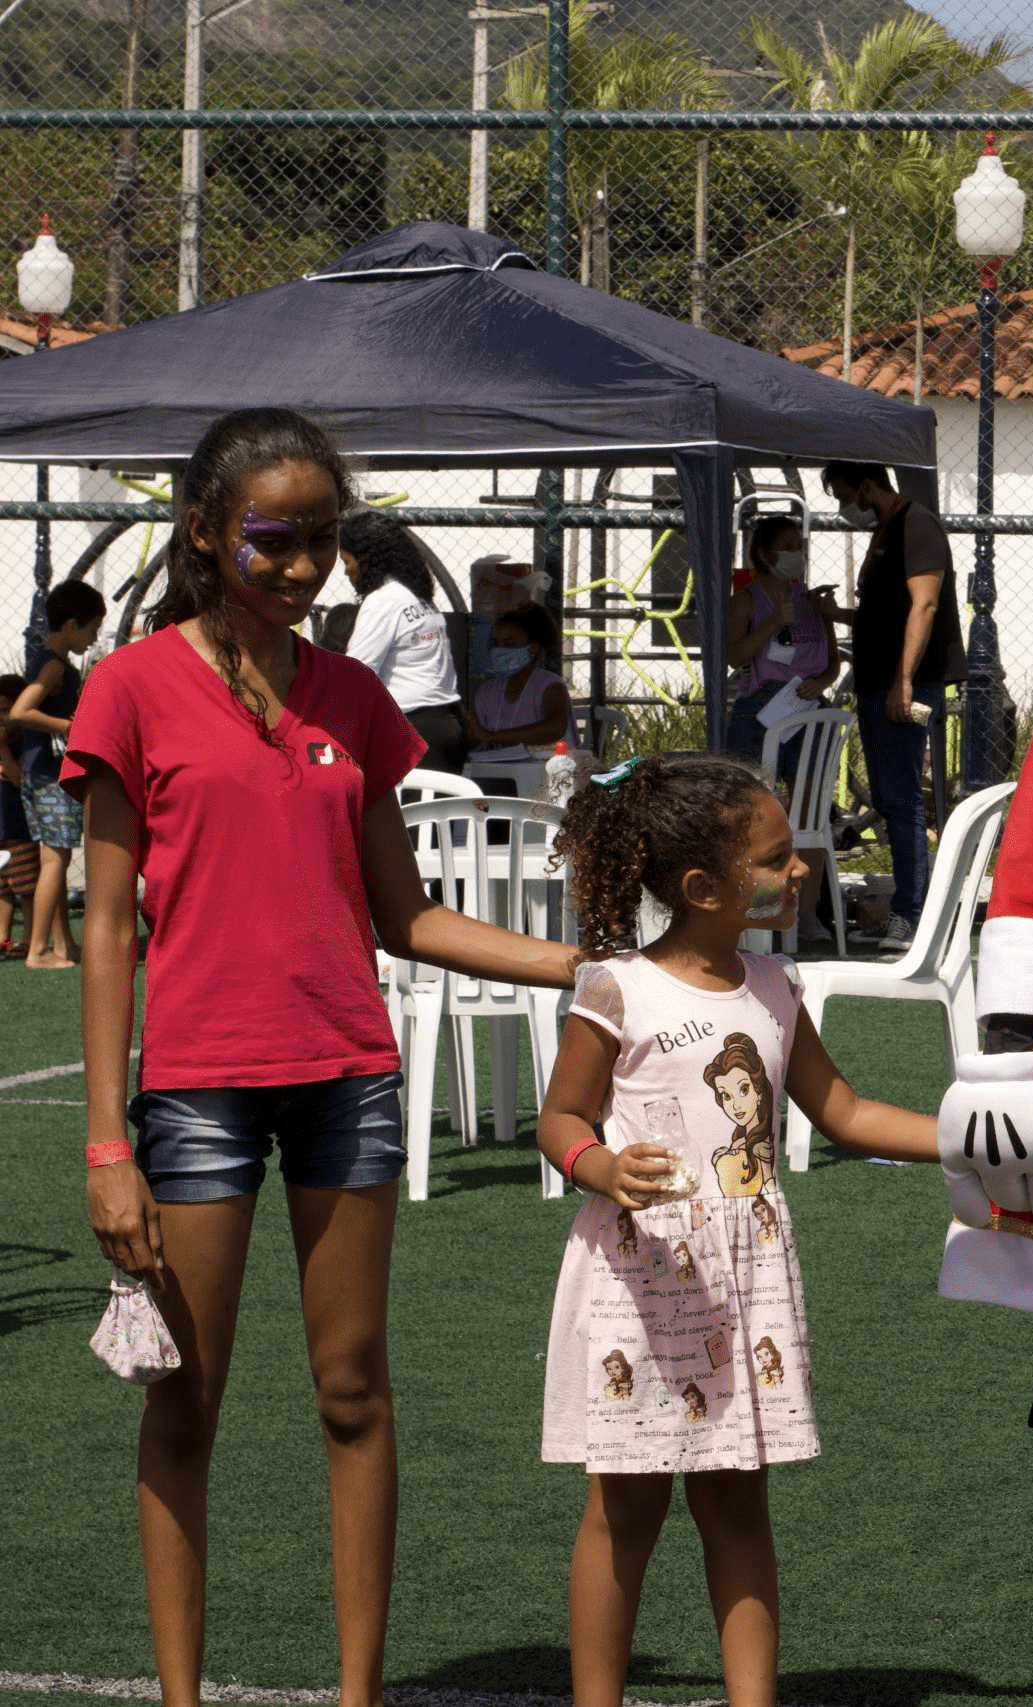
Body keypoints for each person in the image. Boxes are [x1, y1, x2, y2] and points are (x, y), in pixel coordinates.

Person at [68, 408, 592, 1707]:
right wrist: (104, 1142)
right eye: (275, 536)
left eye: (321, 538)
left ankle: (361, 1694)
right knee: (184, 1403)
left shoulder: (354, 695)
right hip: (194, 1093)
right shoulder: (129, 686)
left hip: (348, 1081)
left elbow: (406, 915)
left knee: (355, 1390)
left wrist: (587, 964)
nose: (304, 563)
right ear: (205, 531)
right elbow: (108, 925)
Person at [538, 750, 936, 1707]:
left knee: (737, 1500)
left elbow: (842, 1109)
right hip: (644, 1279)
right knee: (623, 1509)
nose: (800, 868)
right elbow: (560, 1116)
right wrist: (599, 1164)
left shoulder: (777, 983)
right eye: (776, 857)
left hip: (744, 1282)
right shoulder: (615, 988)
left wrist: (968, 1140)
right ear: (701, 886)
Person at [822, 460, 956, 954]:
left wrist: (904, 680)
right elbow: (886, 614)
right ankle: (905, 909)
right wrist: (836, 615)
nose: (843, 507)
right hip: (877, 684)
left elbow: (924, 605)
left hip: (905, 686)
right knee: (887, 795)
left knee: (901, 800)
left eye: (843, 496)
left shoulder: (916, 524)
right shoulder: (884, 531)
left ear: (867, 485)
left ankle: (913, 916)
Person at [10, 579, 105, 970]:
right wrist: (70, 727)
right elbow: (21, 712)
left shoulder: (48, 660)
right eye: (92, 629)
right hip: (49, 775)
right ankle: (38, 950)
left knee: (57, 859)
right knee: (55, 859)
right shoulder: (53, 665)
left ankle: (64, 944)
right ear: (71, 625)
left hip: (37, 774)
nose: (94, 637)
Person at [339, 507, 464, 772]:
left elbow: (356, 675)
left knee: (407, 814)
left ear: (366, 559)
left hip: (411, 731)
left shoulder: (382, 601)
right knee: (437, 813)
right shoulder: (418, 597)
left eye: (347, 562)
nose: (347, 572)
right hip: (447, 726)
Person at [722, 514, 837, 777]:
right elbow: (734, 657)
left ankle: (807, 820)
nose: (796, 554)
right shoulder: (745, 601)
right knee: (755, 797)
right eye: (787, 548)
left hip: (808, 704)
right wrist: (772, 623)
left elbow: (832, 663)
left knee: (809, 792)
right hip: (761, 707)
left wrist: (820, 683)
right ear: (765, 554)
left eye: (799, 547)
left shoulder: (811, 601)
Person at [464, 603, 572, 763]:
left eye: (509, 645)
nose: (498, 651)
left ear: (533, 648)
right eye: (495, 644)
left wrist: (491, 736)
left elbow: (555, 728)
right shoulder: (487, 692)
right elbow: (474, 739)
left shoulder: (550, 687)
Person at [0, 672, 35, 958]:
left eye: (4, 710)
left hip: (18, 827)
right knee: (2, 888)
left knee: (25, 886)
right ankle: (3, 937)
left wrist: (3, 749)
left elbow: (18, 780)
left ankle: (28, 938)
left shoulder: (23, 743)